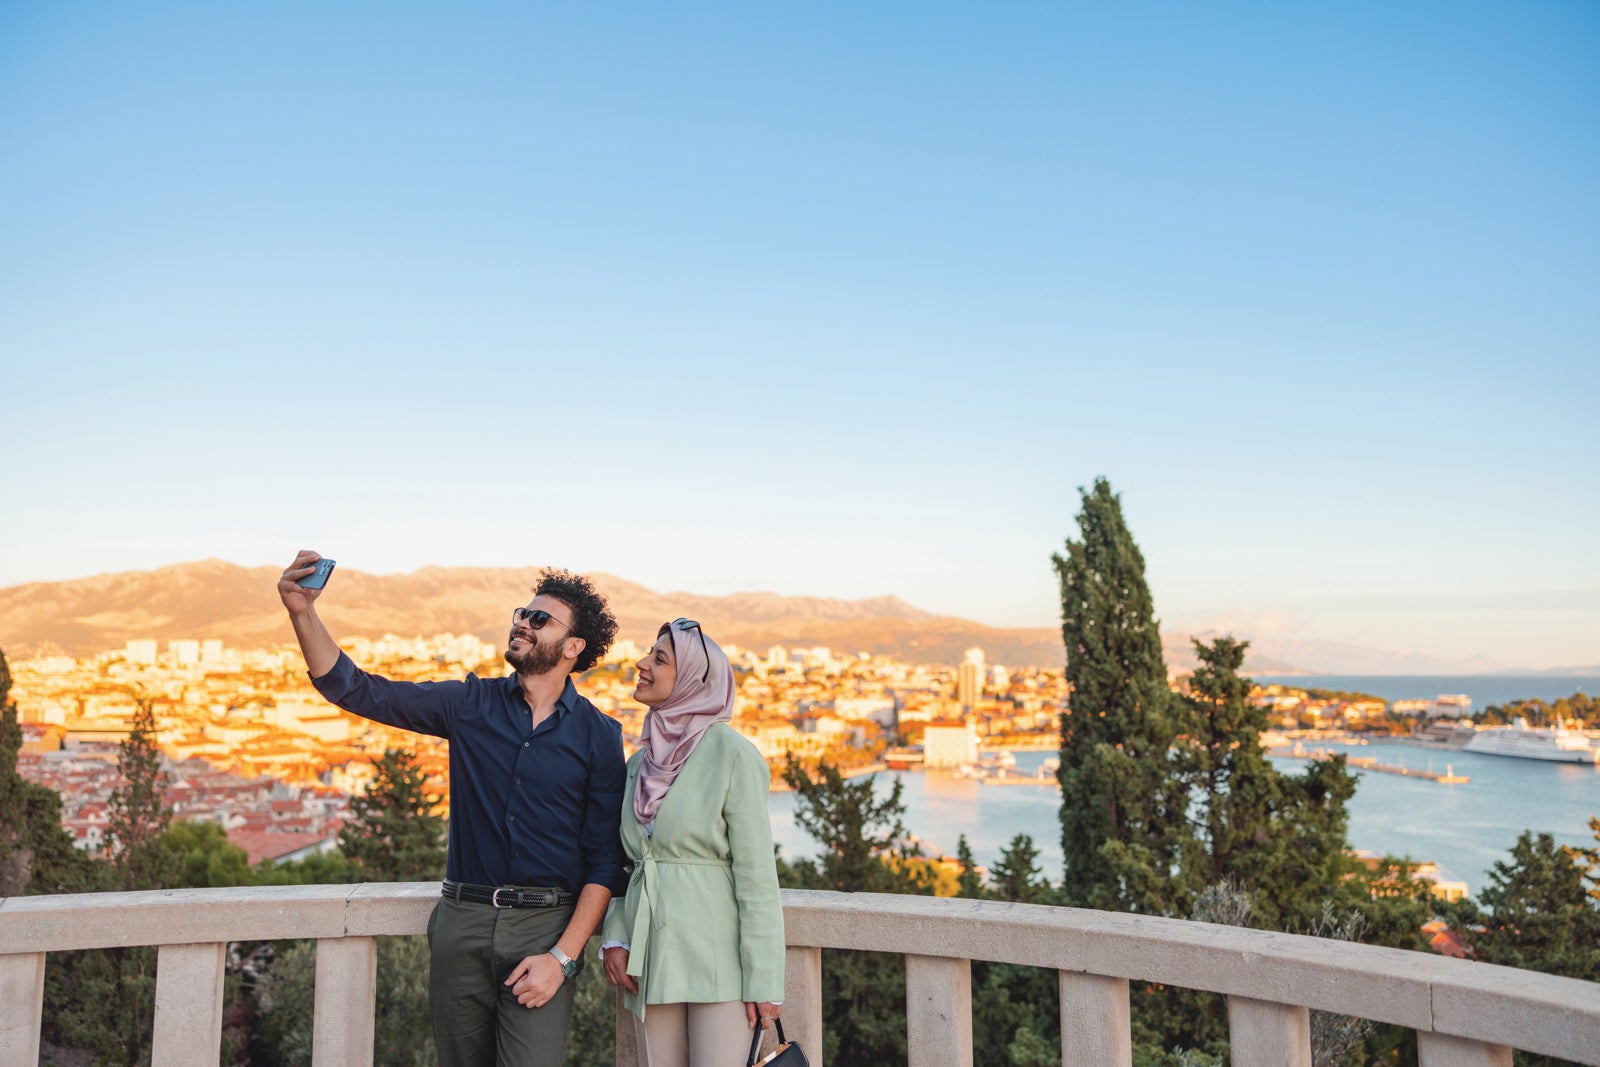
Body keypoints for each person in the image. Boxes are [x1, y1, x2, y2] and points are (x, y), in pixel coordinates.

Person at [276, 550, 628, 1067]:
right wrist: (302, 613)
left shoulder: (599, 736)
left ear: (573, 646)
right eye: (521, 614)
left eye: (540, 619)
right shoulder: (469, 704)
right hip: (461, 921)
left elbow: (605, 861)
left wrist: (563, 958)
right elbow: (356, 689)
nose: (523, 624)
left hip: (544, 929)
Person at [601, 618, 785, 1067]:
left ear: (692, 681)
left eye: (659, 659)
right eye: (650, 653)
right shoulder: (640, 762)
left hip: (719, 964)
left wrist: (763, 980)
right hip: (651, 960)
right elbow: (629, 864)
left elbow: (757, 877)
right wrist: (615, 936)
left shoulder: (733, 755)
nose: (642, 663)